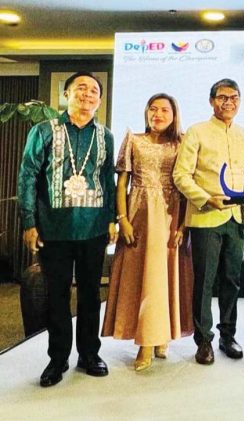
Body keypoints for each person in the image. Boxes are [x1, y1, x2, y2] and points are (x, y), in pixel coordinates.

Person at [17, 71, 116, 387]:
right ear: (66, 95)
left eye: (94, 91)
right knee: (57, 296)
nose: (88, 94)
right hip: (54, 230)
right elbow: (28, 176)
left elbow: (108, 182)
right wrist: (29, 222)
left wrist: (112, 218)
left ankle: (89, 354)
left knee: (90, 294)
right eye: (81, 89)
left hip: (94, 229)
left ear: (99, 100)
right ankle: (57, 359)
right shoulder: (43, 130)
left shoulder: (106, 136)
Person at [101, 93, 193, 371]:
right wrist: (122, 219)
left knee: (165, 280)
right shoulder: (134, 139)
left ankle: (158, 337)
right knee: (143, 280)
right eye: (153, 109)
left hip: (171, 214)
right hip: (139, 214)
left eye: (165, 109)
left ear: (174, 114)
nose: (158, 114)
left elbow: (189, 184)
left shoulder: (183, 142)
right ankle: (146, 342)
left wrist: (184, 224)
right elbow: (122, 183)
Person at [173, 79, 244, 365]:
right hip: (206, 216)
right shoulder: (196, 132)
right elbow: (181, 176)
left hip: (236, 217)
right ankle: (203, 340)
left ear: (239, 101)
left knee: (232, 280)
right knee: (204, 282)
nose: (228, 102)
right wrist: (206, 198)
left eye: (233, 97)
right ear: (211, 101)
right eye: (222, 97)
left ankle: (228, 335)